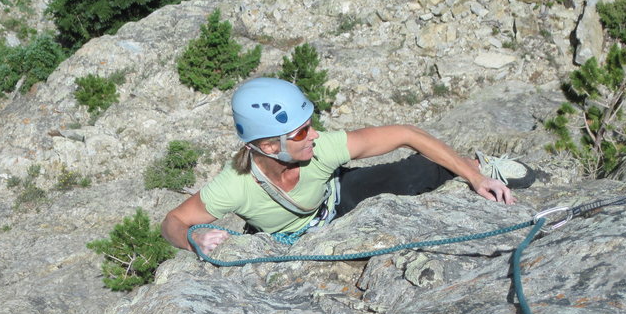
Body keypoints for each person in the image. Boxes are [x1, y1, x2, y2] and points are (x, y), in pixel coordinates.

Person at [162, 77, 532, 255]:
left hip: (337, 197)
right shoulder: (234, 186)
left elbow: (405, 133)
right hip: (290, 236)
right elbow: (173, 222)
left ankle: (476, 162)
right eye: (302, 131)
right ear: (270, 146)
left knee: (412, 173)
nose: (315, 135)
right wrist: (194, 238)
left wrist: (475, 177)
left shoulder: (321, 149)